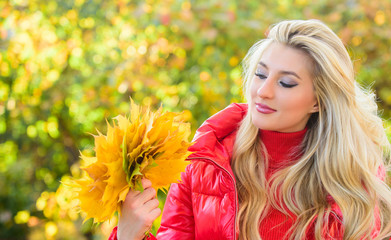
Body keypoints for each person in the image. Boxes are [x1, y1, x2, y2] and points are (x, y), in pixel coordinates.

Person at [109, 19, 391, 240]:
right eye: (261, 74)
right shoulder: (203, 161)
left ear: (318, 102)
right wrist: (128, 236)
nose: (263, 91)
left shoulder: (355, 179)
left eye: (286, 83)